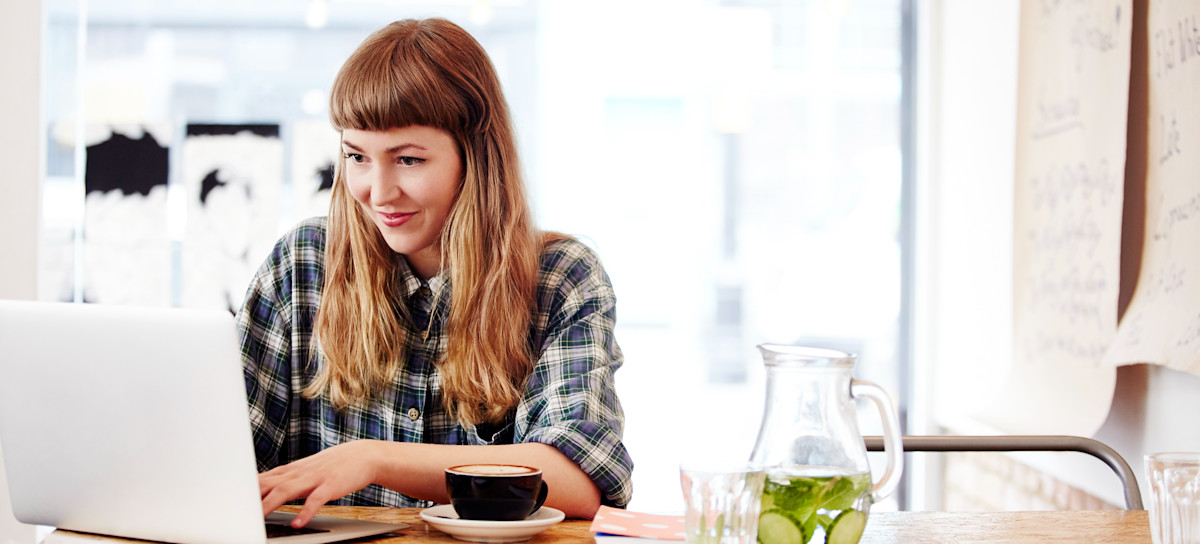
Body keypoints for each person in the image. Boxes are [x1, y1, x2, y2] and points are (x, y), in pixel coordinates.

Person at [236, 18, 633, 528]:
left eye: (408, 160)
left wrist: (374, 459)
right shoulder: (302, 263)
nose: (378, 193)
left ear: (475, 157)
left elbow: (578, 479)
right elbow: (222, 457)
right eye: (356, 156)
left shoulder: (561, 278)